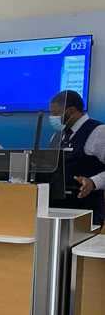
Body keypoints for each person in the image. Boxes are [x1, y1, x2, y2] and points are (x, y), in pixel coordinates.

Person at [48, 90, 105, 224]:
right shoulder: (57, 136)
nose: (52, 117)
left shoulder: (98, 131)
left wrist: (93, 182)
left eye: (55, 113)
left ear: (71, 111)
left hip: (86, 212)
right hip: (56, 212)